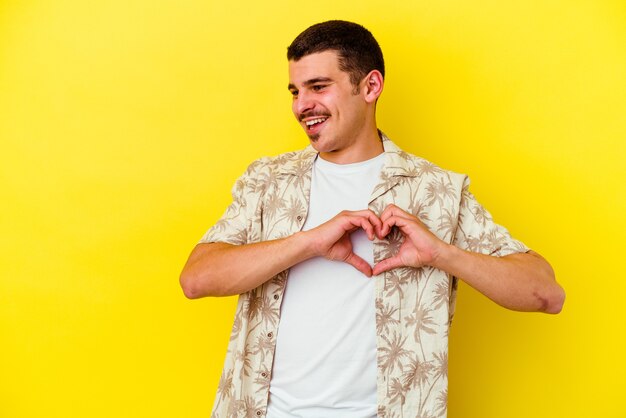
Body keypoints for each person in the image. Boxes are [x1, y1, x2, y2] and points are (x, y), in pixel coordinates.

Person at [180, 20, 565, 418]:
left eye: (318, 87)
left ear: (370, 86)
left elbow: (546, 294)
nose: (301, 105)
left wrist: (442, 254)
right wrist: (308, 241)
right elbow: (196, 279)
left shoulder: (436, 190)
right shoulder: (267, 181)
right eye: (295, 91)